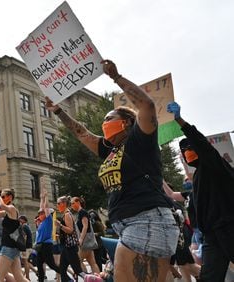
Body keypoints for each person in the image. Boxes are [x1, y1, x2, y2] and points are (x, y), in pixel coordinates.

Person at [45, 59, 179, 281]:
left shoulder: (140, 139)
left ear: (127, 122)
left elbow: (147, 106)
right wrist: (58, 111)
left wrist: (116, 77)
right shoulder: (110, 150)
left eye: (109, 118)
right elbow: (82, 133)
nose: (104, 123)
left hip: (147, 221)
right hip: (129, 226)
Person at [167, 101, 234, 280]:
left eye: (190, 148)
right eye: (183, 151)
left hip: (229, 228)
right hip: (212, 235)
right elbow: (174, 195)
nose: (187, 153)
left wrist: (180, 121)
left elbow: (201, 143)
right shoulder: (197, 177)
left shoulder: (214, 163)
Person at [0, 189, 29, 282]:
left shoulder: (12, 208)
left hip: (8, 248)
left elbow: (1, 205)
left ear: (10, 197)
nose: (1, 198)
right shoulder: (6, 212)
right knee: (19, 278)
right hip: (12, 248)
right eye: (1, 197)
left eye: (3, 196)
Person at [34, 180, 61, 282]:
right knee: (39, 265)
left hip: (46, 245)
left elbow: (45, 207)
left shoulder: (48, 220)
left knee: (51, 264)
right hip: (40, 246)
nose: (40, 214)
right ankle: (41, 280)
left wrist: (46, 196)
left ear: (46, 214)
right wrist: (41, 196)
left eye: (41, 213)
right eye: (39, 213)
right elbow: (41, 206)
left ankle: (65, 276)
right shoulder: (40, 223)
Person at [56, 196, 85, 281]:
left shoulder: (67, 214)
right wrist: (60, 235)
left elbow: (70, 230)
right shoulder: (65, 214)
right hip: (66, 247)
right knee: (62, 269)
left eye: (59, 203)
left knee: (78, 270)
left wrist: (60, 225)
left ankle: (93, 279)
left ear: (64, 204)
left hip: (70, 247)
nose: (57, 206)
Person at [71, 197, 100, 274]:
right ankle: (97, 279)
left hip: (84, 241)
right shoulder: (81, 213)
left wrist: (80, 239)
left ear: (78, 202)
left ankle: (87, 278)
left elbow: (85, 226)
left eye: (73, 203)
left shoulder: (82, 212)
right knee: (93, 263)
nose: (71, 205)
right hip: (87, 242)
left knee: (77, 261)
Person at [18, 215, 33, 280]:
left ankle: (27, 277)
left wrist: (22, 246)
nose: (19, 221)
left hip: (26, 247)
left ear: (23, 220)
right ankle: (25, 276)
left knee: (25, 261)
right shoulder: (27, 226)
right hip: (28, 246)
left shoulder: (24, 226)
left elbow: (24, 237)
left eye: (20, 219)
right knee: (25, 261)